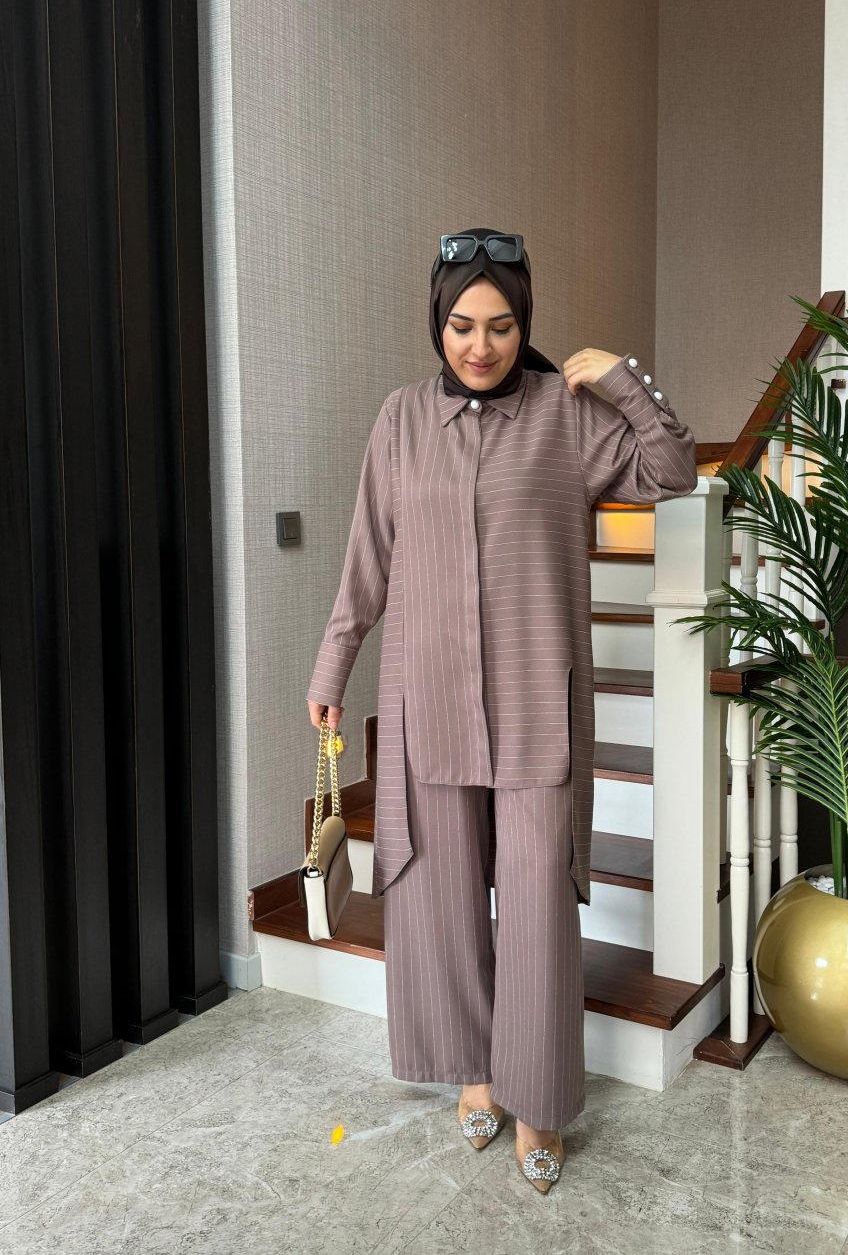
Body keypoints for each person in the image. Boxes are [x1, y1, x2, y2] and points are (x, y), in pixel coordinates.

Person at [306, 227, 697, 1192]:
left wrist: (622, 381)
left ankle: (538, 1099)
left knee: (534, 909)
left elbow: (673, 469)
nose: (479, 345)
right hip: (428, 695)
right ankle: (474, 1073)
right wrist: (332, 668)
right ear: (436, 323)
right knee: (439, 901)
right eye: (461, 325)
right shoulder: (401, 419)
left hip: (535, 700)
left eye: (501, 326)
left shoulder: (567, 415)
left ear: (526, 325)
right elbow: (367, 560)